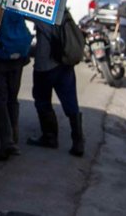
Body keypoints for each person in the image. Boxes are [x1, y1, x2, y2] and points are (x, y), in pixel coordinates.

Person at [27, 11, 85, 156]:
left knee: (42, 101)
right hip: (65, 63)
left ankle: (50, 137)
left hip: (46, 66)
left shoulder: (42, 10)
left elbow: (24, 11)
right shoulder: (64, 12)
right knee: (71, 102)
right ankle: (78, 141)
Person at [0, 10, 33, 161]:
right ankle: (14, 138)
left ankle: (7, 142)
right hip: (18, 56)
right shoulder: (19, 4)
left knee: (0, 99)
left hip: (1, 57)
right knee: (12, 97)